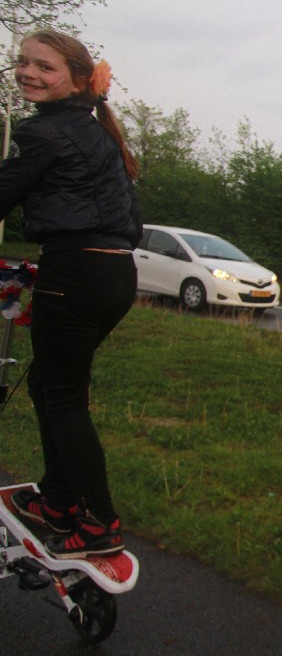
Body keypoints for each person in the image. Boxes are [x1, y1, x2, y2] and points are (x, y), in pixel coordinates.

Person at [2, 29, 142, 558]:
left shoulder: (43, 132)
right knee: (48, 382)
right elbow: (126, 216)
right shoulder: (97, 131)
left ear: (79, 80)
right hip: (114, 274)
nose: (29, 73)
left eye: (45, 67)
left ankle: (99, 521)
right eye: (23, 62)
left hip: (75, 274)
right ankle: (58, 501)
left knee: (62, 395)